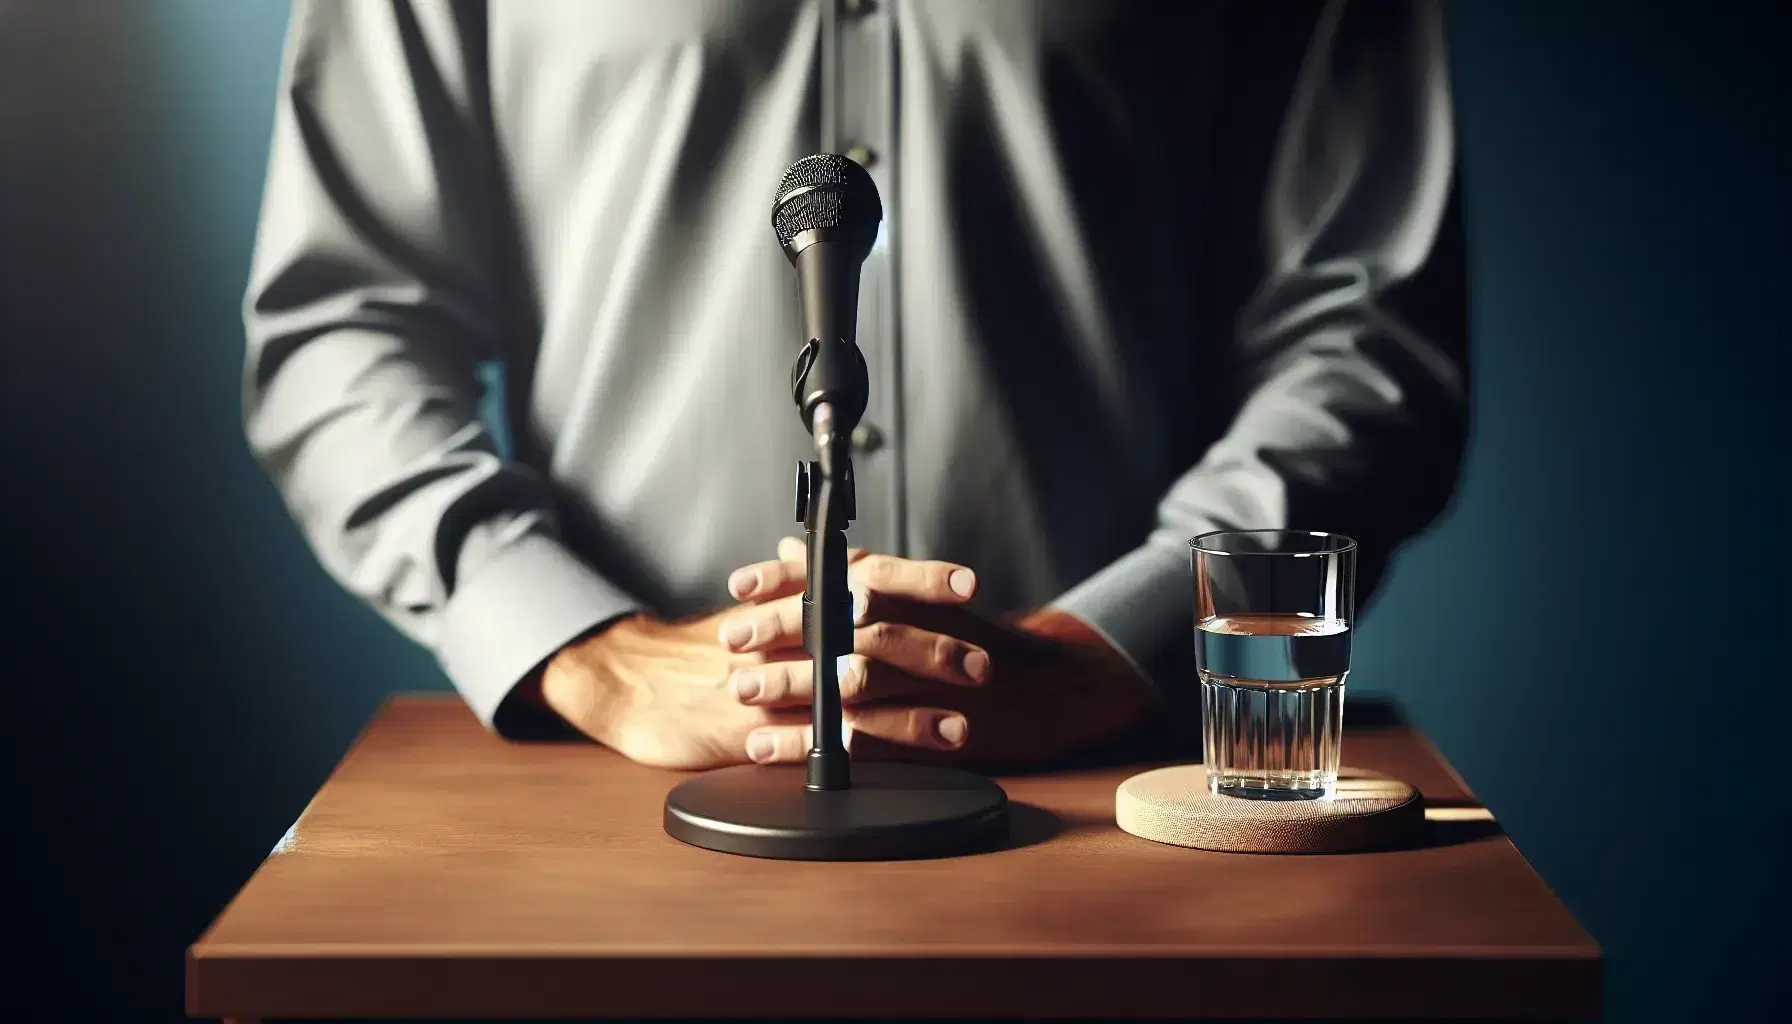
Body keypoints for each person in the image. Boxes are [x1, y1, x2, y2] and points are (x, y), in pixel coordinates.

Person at [243, 0, 1468, 772]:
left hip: (1117, 806)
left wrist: (1114, 648)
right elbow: (344, 322)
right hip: (616, 800)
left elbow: (1360, 321)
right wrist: (582, 650)